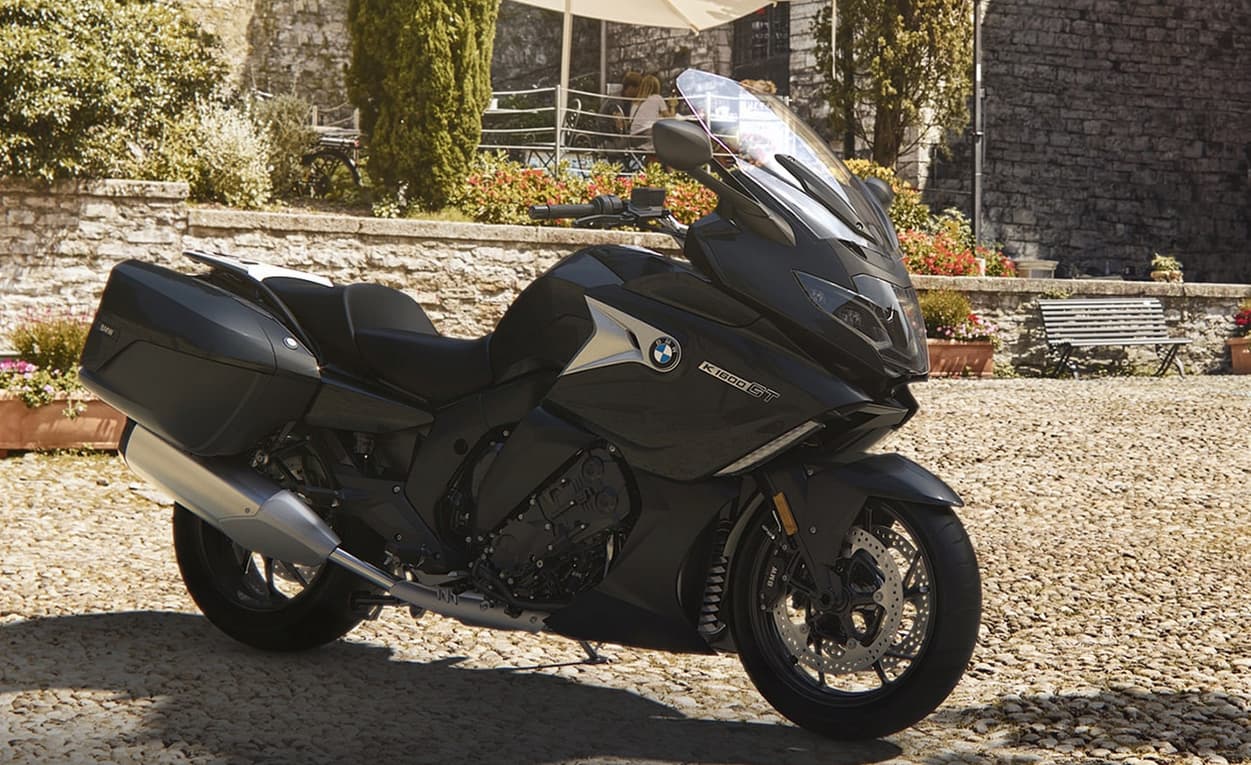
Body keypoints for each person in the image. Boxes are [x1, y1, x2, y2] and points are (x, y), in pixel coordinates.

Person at [628, 75, 668, 152]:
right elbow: (669, 118)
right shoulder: (657, 98)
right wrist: (673, 106)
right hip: (648, 136)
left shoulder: (636, 101)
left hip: (633, 138)